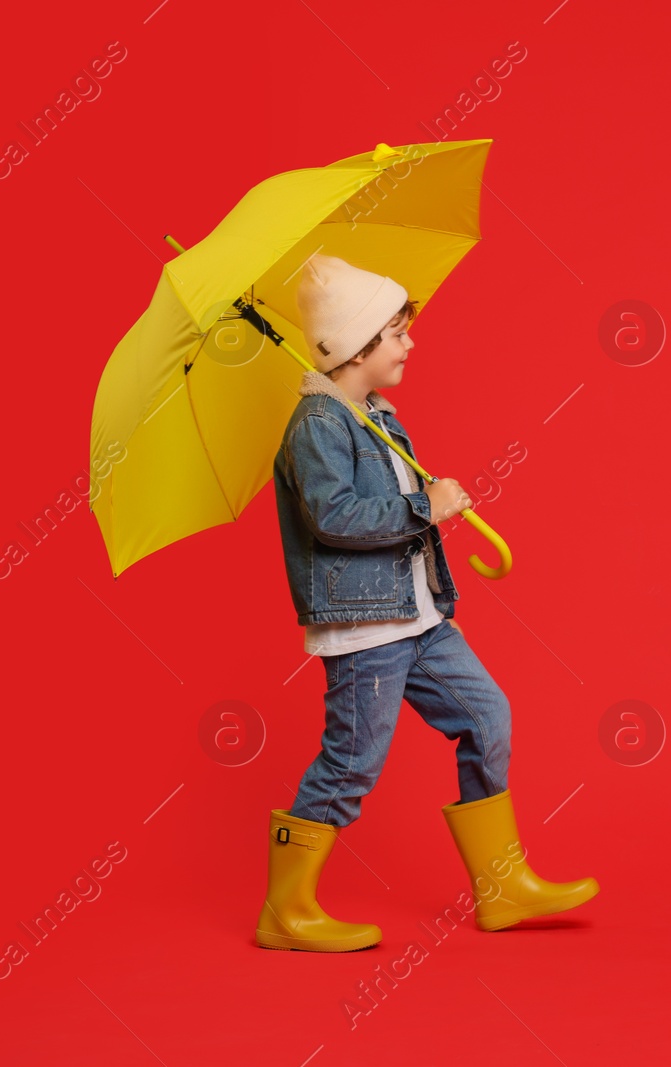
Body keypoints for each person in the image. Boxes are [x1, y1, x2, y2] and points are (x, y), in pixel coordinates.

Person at [256, 253, 599, 952]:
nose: (410, 343)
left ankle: (501, 884)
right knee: (351, 765)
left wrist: (426, 495)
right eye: (397, 332)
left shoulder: (373, 415)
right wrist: (426, 504)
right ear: (355, 346)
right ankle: (285, 909)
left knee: (486, 714)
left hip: (420, 618)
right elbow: (335, 518)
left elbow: (386, 505)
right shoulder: (318, 424)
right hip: (366, 630)